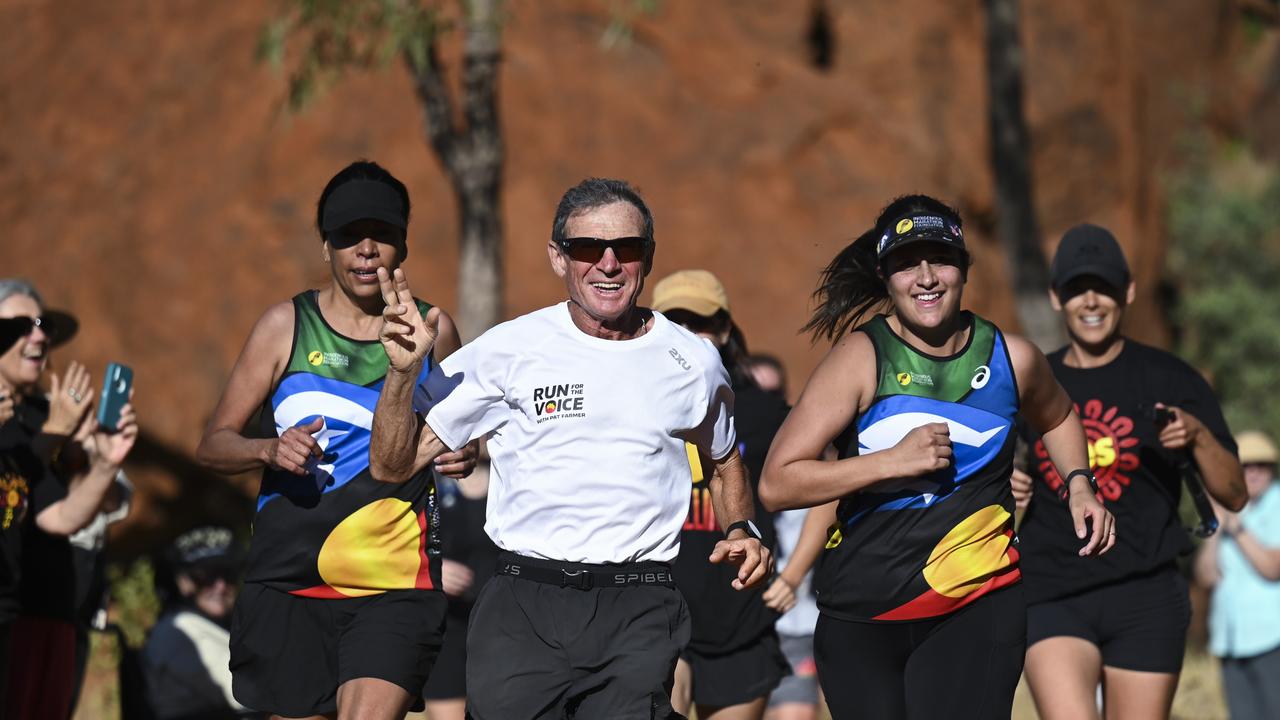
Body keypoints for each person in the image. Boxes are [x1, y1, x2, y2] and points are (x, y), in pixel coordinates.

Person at [368, 177, 773, 720]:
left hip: (639, 600)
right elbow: (392, 465)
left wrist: (739, 529)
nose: (608, 265)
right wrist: (400, 375)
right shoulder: (508, 349)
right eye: (588, 249)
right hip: (523, 602)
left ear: (647, 260)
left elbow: (726, 462)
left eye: (626, 249)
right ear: (558, 258)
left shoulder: (692, 361)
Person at [759, 195, 1115, 720]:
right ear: (886, 276)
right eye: (906, 264)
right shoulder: (860, 359)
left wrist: (1079, 484)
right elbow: (777, 483)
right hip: (862, 614)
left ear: (964, 268)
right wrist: (890, 462)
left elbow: (1059, 417)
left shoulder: (1011, 358)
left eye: (941, 259)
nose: (926, 277)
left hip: (977, 600)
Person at [195, 160, 474, 719]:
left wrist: (463, 452)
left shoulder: (432, 330)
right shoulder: (285, 326)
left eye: (383, 236)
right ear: (326, 247)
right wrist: (267, 449)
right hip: (290, 580)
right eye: (349, 235)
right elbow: (213, 443)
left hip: (393, 579)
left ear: (403, 247)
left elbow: (459, 438)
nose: (366, 250)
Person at [1010, 223, 1246, 720]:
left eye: (1104, 287)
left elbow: (1235, 494)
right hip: (1052, 590)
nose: (1091, 301)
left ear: (1129, 292)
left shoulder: (1171, 378)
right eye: (1076, 288)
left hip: (1146, 594)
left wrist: (1200, 436)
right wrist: (1012, 496)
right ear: (1056, 297)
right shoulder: (1034, 381)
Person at [650, 269, 792, 720]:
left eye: (700, 323)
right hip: (657, 614)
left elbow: (826, 482)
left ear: (726, 329)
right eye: (676, 324)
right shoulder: (635, 409)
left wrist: (795, 572)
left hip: (739, 621)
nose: (689, 336)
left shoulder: (763, 411)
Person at [0, 279, 139, 720]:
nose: (38, 335)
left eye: (42, 324)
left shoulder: (47, 412)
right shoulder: (42, 422)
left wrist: (99, 462)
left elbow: (60, 515)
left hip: (58, 610)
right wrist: (54, 437)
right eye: (21, 325)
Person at [1193, 430, 1280, 719]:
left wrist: (1237, 528)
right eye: (1246, 466)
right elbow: (1206, 577)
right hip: (1230, 638)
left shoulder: (1276, 504)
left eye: (1261, 466)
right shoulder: (1226, 512)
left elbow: (1272, 567)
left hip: (1271, 637)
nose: (1253, 473)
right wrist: (1216, 528)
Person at [144, 526, 257, 720]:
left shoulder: (224, 625)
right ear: (182, 581)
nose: (220, 586)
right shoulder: (178, 630)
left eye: (228, 573)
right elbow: (247, 695)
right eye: (206, 575)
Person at [420, 454, 499, 720]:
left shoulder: (515, 480)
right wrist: (433, 569)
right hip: (446, 624)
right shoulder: (429, 483)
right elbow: (393, 547)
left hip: (505, 624)